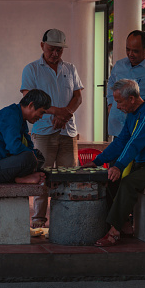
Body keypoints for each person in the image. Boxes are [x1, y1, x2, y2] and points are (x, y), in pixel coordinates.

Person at [83, 79, 145, 247]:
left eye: (119, 101)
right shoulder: (132, 115)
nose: (117, 106)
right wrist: (97, 161)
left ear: (132, 99)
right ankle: (124, 224)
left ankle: (114, 232)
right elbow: (121, 142)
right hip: (143, 166)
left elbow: (135, 143)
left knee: (128, 182)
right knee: (110, 181)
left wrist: (119, 166)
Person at [21, 28, 84, 227]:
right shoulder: (31, 69)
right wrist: (56, 112)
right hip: (43, 132)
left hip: (67, 131)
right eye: (51, 49)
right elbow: (28, 99)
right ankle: (39, 219)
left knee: (68, 177)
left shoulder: (70, 69)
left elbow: (78, 97)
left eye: (59, 50)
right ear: (42, 46)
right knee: (42, 177)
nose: (55, 54)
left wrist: (65, 115)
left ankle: (67, 218)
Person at [0, 89, 51, 184]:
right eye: (41, 112)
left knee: (38, 156)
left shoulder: (21, 118)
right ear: (31, 105)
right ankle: (18, 179)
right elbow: (14, 147)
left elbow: (27, 146)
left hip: (0, 164)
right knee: (29, 157)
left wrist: (33, 155)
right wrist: (31, 156)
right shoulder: (10, 115)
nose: (41, 117)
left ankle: (24, 176)